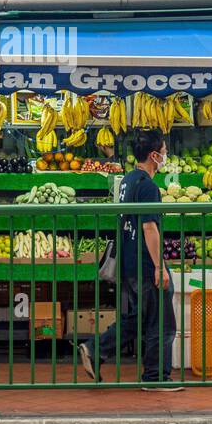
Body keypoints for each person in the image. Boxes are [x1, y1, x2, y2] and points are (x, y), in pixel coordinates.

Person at [78, 129, 179, 390]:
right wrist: (160, 267)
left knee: (140, 318)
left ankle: (95, 349)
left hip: (129, 262)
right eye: (164, 151)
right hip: (146, 264)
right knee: (162, 322)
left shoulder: (127, 180)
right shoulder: (147, 186)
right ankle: (156, 377)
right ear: (154, 155)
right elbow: (149, 228)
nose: (166, 155)